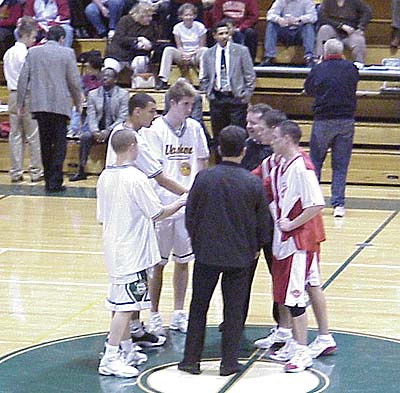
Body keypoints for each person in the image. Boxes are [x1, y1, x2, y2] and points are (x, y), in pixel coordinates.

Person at [177, 125, 271, 376]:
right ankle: (229, 362)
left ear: (218, 149)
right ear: (243, 151)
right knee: (233, 310)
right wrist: (256, 249)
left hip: (206, 254)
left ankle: (190, 360)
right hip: (240, 258)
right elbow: (264, 223)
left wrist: (197, 243)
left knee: (198, 308)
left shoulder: (203, 178)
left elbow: (190, 215)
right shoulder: (252, 182)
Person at [96, 128, 187, 378]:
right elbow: (156, 213)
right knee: (126, 306)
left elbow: (101, 217)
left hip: (113, 247)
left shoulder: (104, 176)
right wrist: (181, 202)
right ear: (133, 147)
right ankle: (110, 356)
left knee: (119, 303)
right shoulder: (135, 178)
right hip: (132, 250)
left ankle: (127, 350)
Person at [263, 120, 335, 373]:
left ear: (287, 139)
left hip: (298, 241)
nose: (272, 140)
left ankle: (302, 351)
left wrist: (292, 223)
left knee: (294, 296)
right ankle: (299, 342)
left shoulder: (302, 168)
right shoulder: (282, 164)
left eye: (276, 137)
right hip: (285, 240)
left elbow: (316, 203)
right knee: (298, 288)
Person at [141, 79, 209, 336]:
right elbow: (157, 173)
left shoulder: (194, 128)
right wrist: (187, 193)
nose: (190, 109)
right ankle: (155, 313)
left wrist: (199, 192)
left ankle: (179, 312)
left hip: (187, 207)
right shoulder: (154, 130)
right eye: (186, 104)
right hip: (163, 205)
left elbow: (202, 160)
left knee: (184, 261)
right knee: (158, 263)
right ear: (172, 103)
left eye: (192, 104)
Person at [17, 25, 81, 193]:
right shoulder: (67, 53)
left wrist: (20, 103)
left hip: (39, 105)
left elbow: (23, 79)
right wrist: (78, 103)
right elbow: (74, 82)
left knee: (44, 143)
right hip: (60, 105)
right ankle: (56, 180)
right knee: (60, 144)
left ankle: (48, 180)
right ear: (61, 39)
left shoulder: (33, 52)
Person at [304, 38, 359, 217]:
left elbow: (309, 89)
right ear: (341, 52)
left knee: (316, 162)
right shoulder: (351, 68)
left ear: (325, 52)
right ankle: (338, 205)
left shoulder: (318, 69)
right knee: (340, 165)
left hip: (323, 120)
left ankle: (314, 202)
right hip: (345, 120)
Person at [200, 20, 255, 161]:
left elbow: (249, 74)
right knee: (219, 135)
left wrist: (246, 95)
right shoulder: (208, 54)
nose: (224, 36)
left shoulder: (241, 51)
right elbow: (204, 77)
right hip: (217, 98)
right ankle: (220, 165)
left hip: (236, 98)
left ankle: (239, 165)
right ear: (214, 36)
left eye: (226, 33)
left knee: (238, 135)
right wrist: (208, 93)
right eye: (221, 34)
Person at [69, 68, 129, 181]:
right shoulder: (93, 94)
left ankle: (112, 170)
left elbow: (123, 117)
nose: (105, 78)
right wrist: (95, 131)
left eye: (108, 76)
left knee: (117, 137)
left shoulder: (123, 94)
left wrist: (108, 130)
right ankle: (81, 170)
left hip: (114, 129)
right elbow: (91, 115)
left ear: (115, 80)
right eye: (103, 76)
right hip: (97, 129)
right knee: (85, 137)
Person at [4, 16, 43, 184]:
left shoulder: (8, 53)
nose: (34, 40)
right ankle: (35, 171)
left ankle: (15, 171)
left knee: (15, 135)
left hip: (12, 94)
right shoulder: (26, 54)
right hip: (26, 95)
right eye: (33, 37)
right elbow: (29, 79)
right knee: (33, 134)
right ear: (26, 35)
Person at [156, 3, 207, 90]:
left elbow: (201, 45)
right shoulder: (177, 27)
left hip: (195, 54)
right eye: (186, 15)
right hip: (182, 54)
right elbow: (179, 46)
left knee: (205, 50)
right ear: (181, 16)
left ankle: (203, 80)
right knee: (168, 49)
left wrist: (190, 55)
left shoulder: (200, 26)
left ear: (194, 16)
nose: (189, 17)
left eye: (191, 15)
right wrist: (184, 54)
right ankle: (163, 80)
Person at [105, 3, 157, 80]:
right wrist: (138, 40)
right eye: (148, 16)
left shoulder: (151, 26)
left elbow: (153, 42)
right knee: (110, 68)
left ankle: (138, 84)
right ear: (140, 15)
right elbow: (120, 39)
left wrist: (149, 46)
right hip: (118, 53)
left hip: (137, 55)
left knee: (141, 61)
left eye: (151, 16)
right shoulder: (125, 20)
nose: (150, 19)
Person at [260, 0, 317, 67]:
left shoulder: (307, 1)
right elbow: (270, 15)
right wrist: (279, 20)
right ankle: (269, 56)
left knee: (308, 26)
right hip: (285, 31)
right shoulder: (280, 1)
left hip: (299, 32)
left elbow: (313, 17)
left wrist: (299, 19)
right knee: (271, 24)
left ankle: (309, 57)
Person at [315, 0, 372, 67]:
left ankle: (358, 63)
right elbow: (323, 18)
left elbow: (367, 12)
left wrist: (360, 27)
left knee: (359, 39)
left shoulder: (355, 1)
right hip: (333, 30)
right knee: (324, 29)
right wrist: (340, 26)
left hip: (351, 32)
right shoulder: (327, 2)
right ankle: (320, 59)